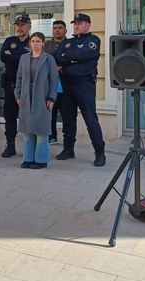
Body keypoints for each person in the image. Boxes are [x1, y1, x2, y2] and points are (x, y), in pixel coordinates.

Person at [54, 13, 106, 167]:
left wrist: (67, 58)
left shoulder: (93, 40)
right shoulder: (68, 42)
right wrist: (72, 58)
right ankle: (68, 149)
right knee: (68, 120)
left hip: (84, 85)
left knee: (91, 120)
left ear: (88, 25)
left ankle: (100, 153)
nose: (76, 25)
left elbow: (84, 54)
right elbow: (57, 57)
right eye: (75, 23)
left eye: (80, 23)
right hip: (67, 85)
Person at [15, 32, 59, 169]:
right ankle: (28, 158)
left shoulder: (49, 59)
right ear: (30, 43)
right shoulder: (23, 58)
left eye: (38, 41)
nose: (35, 43)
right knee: (27, 129)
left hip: (42, 96)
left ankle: (41, 160)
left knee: (41, 129)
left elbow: (53, 80)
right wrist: (17, 95)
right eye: (33, 41)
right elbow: (19, 78)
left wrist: (51, 97)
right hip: (26, 96)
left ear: (43, 43)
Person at [0, 15, 31, 158]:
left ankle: (30, 147)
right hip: (11, 85)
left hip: (29, 86)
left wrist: (14, 57)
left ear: (29, 26)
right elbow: (3, 56)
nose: (19, 28)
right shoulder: (9, 41)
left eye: (22, 25)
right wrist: (24, 59)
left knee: (29, 117)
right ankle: (10, 145)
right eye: (17, 25)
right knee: (10, 116)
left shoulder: (33, 41)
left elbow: (35, 59)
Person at [44, 20, 67, 146]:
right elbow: (42, 60)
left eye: (60, 28)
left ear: (65, 30)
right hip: (49, 83)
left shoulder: (70, 43)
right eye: (55, 28)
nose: (57, 30)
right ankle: (52, 136)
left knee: (66, 113)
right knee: (50, 111)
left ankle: (67, 139)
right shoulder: (47, 44)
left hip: (65, 83)